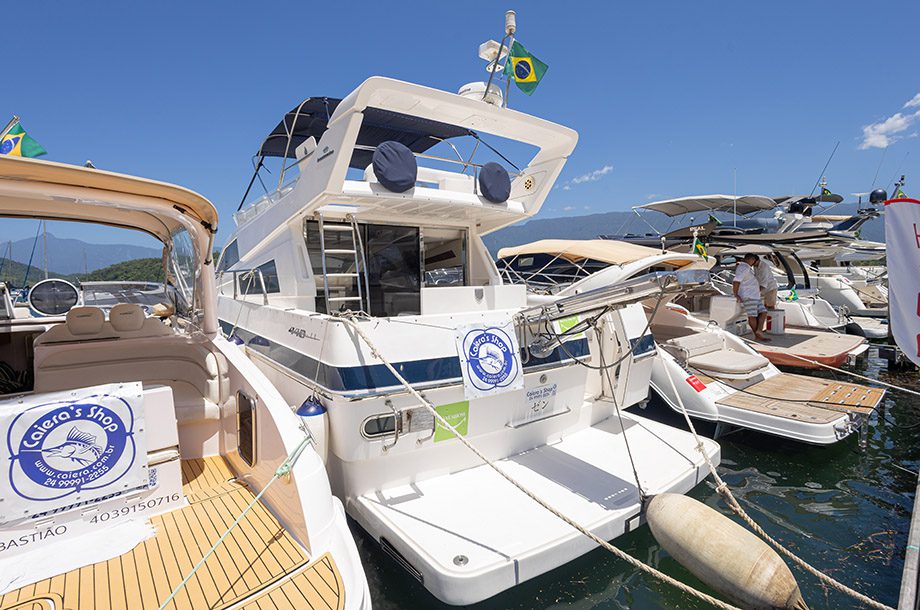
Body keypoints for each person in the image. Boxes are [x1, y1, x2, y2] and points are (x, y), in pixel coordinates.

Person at [733, 253, 770, 341]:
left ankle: (759, 331)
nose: (753, 262)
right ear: (751, 259)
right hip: (749, 295)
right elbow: (736, 281)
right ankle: (757, 335)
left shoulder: (746, 267)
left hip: (754, 296)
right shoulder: (743, 267)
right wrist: (736, 294)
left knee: (763, 312)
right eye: (753, 260)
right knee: (752, 316)